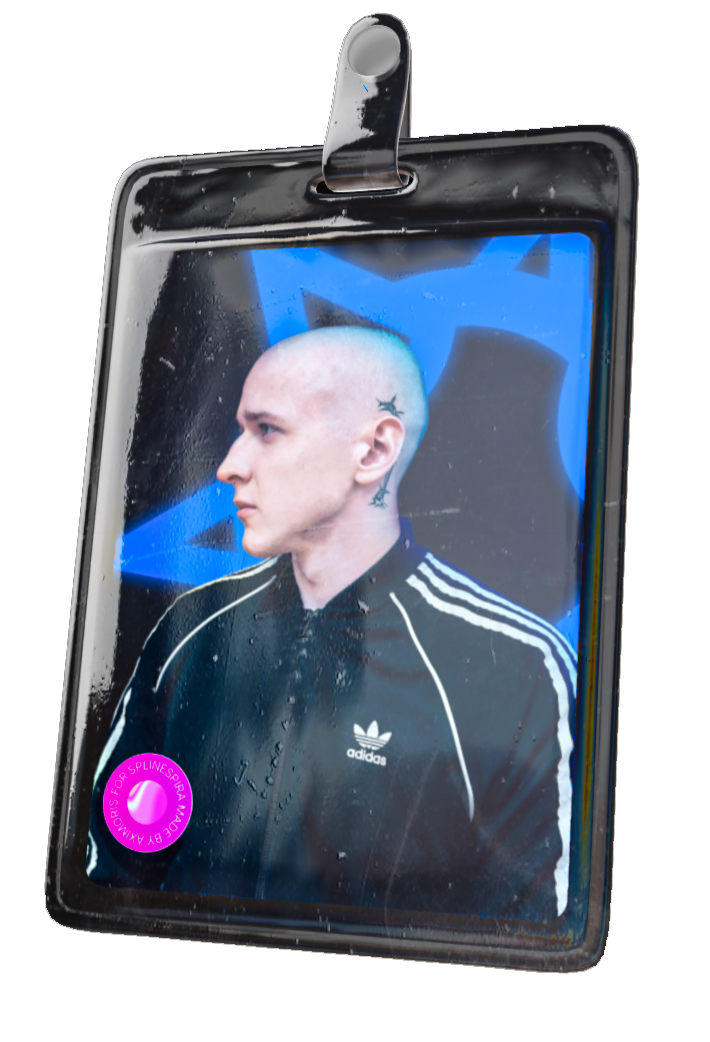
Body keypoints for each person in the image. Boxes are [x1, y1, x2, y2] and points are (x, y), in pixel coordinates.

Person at [87, 326, 576, 920]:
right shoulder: (193, 630)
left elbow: (529, 937)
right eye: (242, 430)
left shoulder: (516, 671)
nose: (229, 466)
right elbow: (110, 879)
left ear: (373, 452)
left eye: (267, 430)